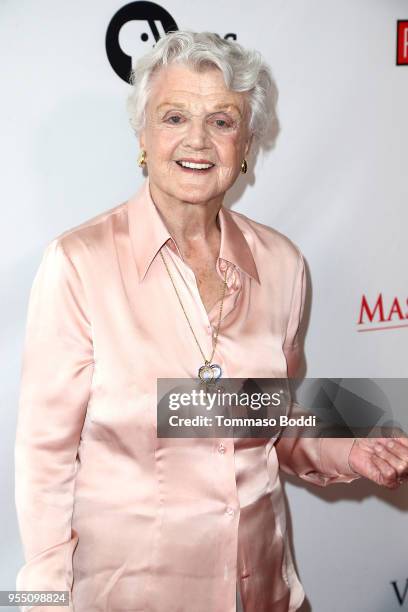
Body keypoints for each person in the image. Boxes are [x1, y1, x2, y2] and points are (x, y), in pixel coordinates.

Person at [15, 30, 408, 612]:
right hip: (126, 596)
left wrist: (351, 450)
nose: (197, 140)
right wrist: (42, 604)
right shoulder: (78, 263)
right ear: (143, 135)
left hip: (265, 590)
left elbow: (266, 415)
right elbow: (42, 459)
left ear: (246, 143)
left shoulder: (283, 265)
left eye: (222, 121)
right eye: (174, 116)